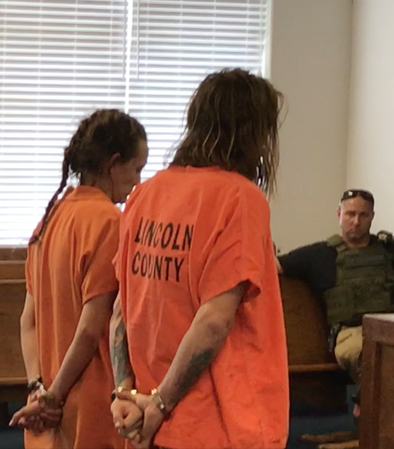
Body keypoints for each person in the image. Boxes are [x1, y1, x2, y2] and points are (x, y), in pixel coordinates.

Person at [110, 68, 289, 449]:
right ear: (252, 133)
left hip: (148, 420)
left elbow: (121, 309)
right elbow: (213, 321)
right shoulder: (240, 198)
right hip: (219, 424)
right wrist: (160, 403)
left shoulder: (146, 194)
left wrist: (125, 394)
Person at [9, 109, 149, 449]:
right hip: (92, 405)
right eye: (136, 169)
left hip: (49, 407)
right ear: (114, 163)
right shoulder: (109, 222)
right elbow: (90, 329)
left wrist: (38, 388)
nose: (138, 182)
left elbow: (27, 321)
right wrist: (55, 396)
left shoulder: (49, 219)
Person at [277, 189, 394, 421]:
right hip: (352, 333)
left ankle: (374, 409)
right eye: (350, 214)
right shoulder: (319, 254)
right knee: (363, 352)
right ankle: (369, 408)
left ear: (372, 217)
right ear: (339, 214)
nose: (356, 221)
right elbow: (274, 265)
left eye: (363, 215)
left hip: (391, 329)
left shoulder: (391, 251)